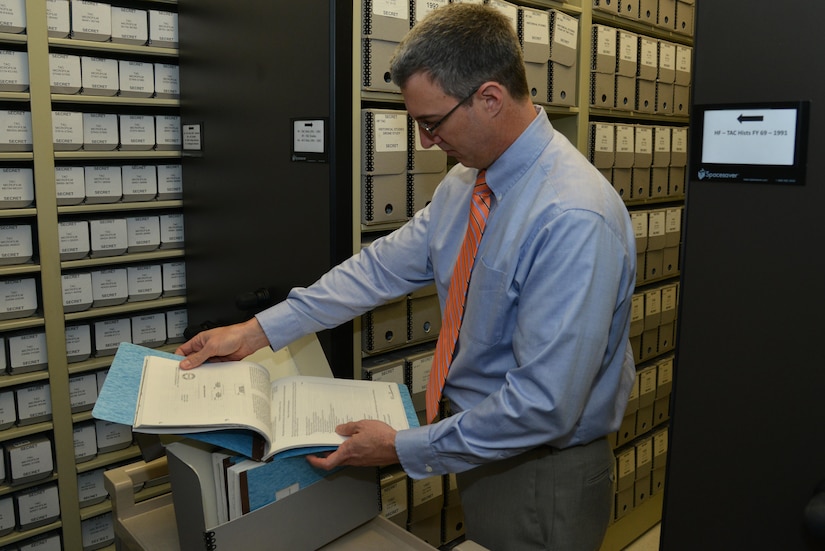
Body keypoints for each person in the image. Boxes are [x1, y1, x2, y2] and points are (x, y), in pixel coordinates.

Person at [176, 4, 636, 550]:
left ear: (489, 98)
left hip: (541, 470)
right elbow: (377, 269)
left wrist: (402, 448)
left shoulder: (572, 217)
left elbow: (544, 406)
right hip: (485, 445)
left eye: (431, 122)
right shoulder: (467, 186)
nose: (424, 142)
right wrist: (254, 331)